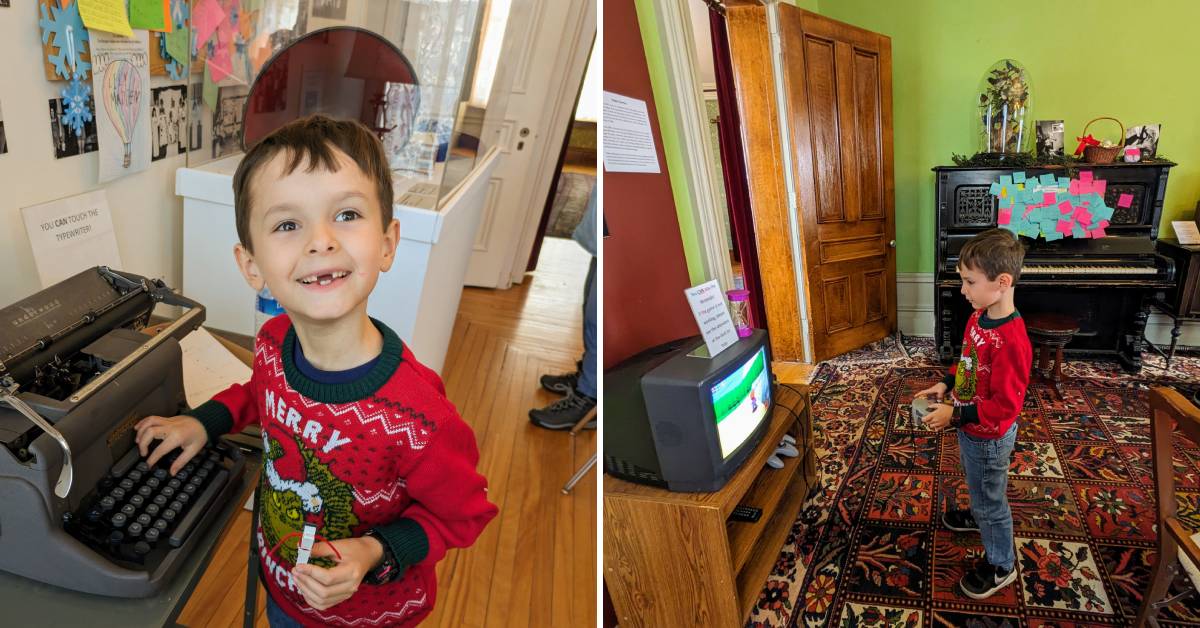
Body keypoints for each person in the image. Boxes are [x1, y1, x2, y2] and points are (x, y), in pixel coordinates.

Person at [133, 115, 498, 627]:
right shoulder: (274, 343)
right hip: (282, 587)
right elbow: (260, 392)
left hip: (370, 614)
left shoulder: (421, 419)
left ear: (388, 243)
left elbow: (464, 515)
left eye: (346, 214)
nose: (320, 240)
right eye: (288, 224)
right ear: (252, 266)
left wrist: (374, 551)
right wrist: (204, 421)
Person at [915, 228, 1032, 600]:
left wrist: (956, 416)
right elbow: (967, 363)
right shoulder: (977, 318)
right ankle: (976, 512)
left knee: (991, 500)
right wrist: (945, 386)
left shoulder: (1013, 340)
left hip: (990, 436)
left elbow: (1005, 407)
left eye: (969, 281)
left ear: (1002, 282)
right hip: (970, 426)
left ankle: (1001, 564)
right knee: (977, 481)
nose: (962, 289)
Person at [529, 187, 597, 430]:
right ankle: (587, 377)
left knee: (598, 321)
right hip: (602, 239)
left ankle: (589, 398)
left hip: (620, 240)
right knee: (588, 313)